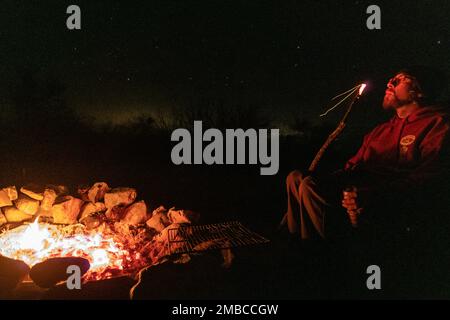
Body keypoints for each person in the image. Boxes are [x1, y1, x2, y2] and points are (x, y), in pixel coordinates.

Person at [281, 66, 450, 242]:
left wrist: (372, 194)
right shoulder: (380, 131)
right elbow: (352, 167)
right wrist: (330, 179)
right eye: (393, 78)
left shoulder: (438, 125)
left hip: (386, 203)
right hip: (355, 194)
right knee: (296, 178)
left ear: (420, 92)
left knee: (309, 186)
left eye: (402, 79)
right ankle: (292, 241)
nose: (390, 82)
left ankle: (317, 256)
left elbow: (429, 179)